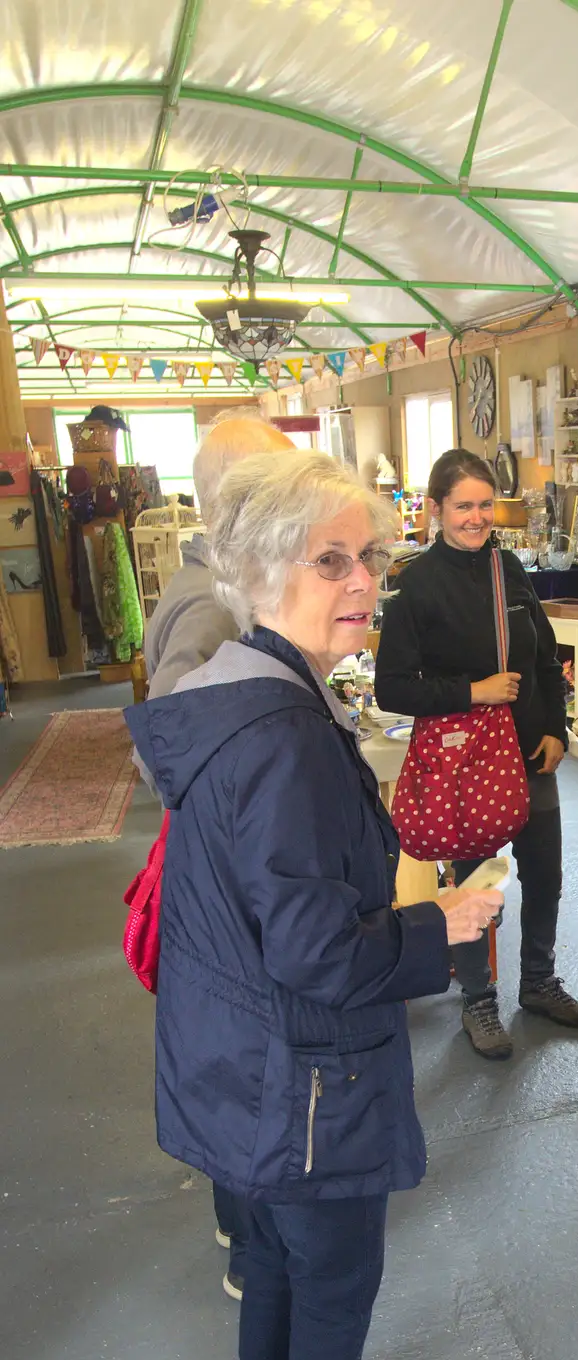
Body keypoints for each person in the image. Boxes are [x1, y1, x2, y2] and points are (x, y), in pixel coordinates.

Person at [125, 451, 503, 1360]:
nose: (361, 584)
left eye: (368, 557)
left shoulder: (235, 700)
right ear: (258, 569)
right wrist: (444, 925)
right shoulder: (283, 735)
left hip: (242, 1066)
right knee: (333, 1271)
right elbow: (317, 952)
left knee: (280, 1260)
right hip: (303, 1078)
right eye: (330, 560)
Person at [142, 410, 295, 1303]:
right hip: (222, 875)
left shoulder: (214, 588)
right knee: (242, 1050)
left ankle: (242, 1217)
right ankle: (247, 1240)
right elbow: (173, 750)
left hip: (222, 870)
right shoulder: (206, 605)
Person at [374, 448, 578, 1061]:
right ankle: (478, 1000)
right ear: (437, 508)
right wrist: (472, 693)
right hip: (463, 765)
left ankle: (540, 983)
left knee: (544, 873)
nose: (476, 517)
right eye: (463, 505)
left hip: (528, 753)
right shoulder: (415, 585)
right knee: (474, 884)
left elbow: (546, 657)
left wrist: (555, 727)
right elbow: (393, 687)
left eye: (484, 504)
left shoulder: (511, 570)